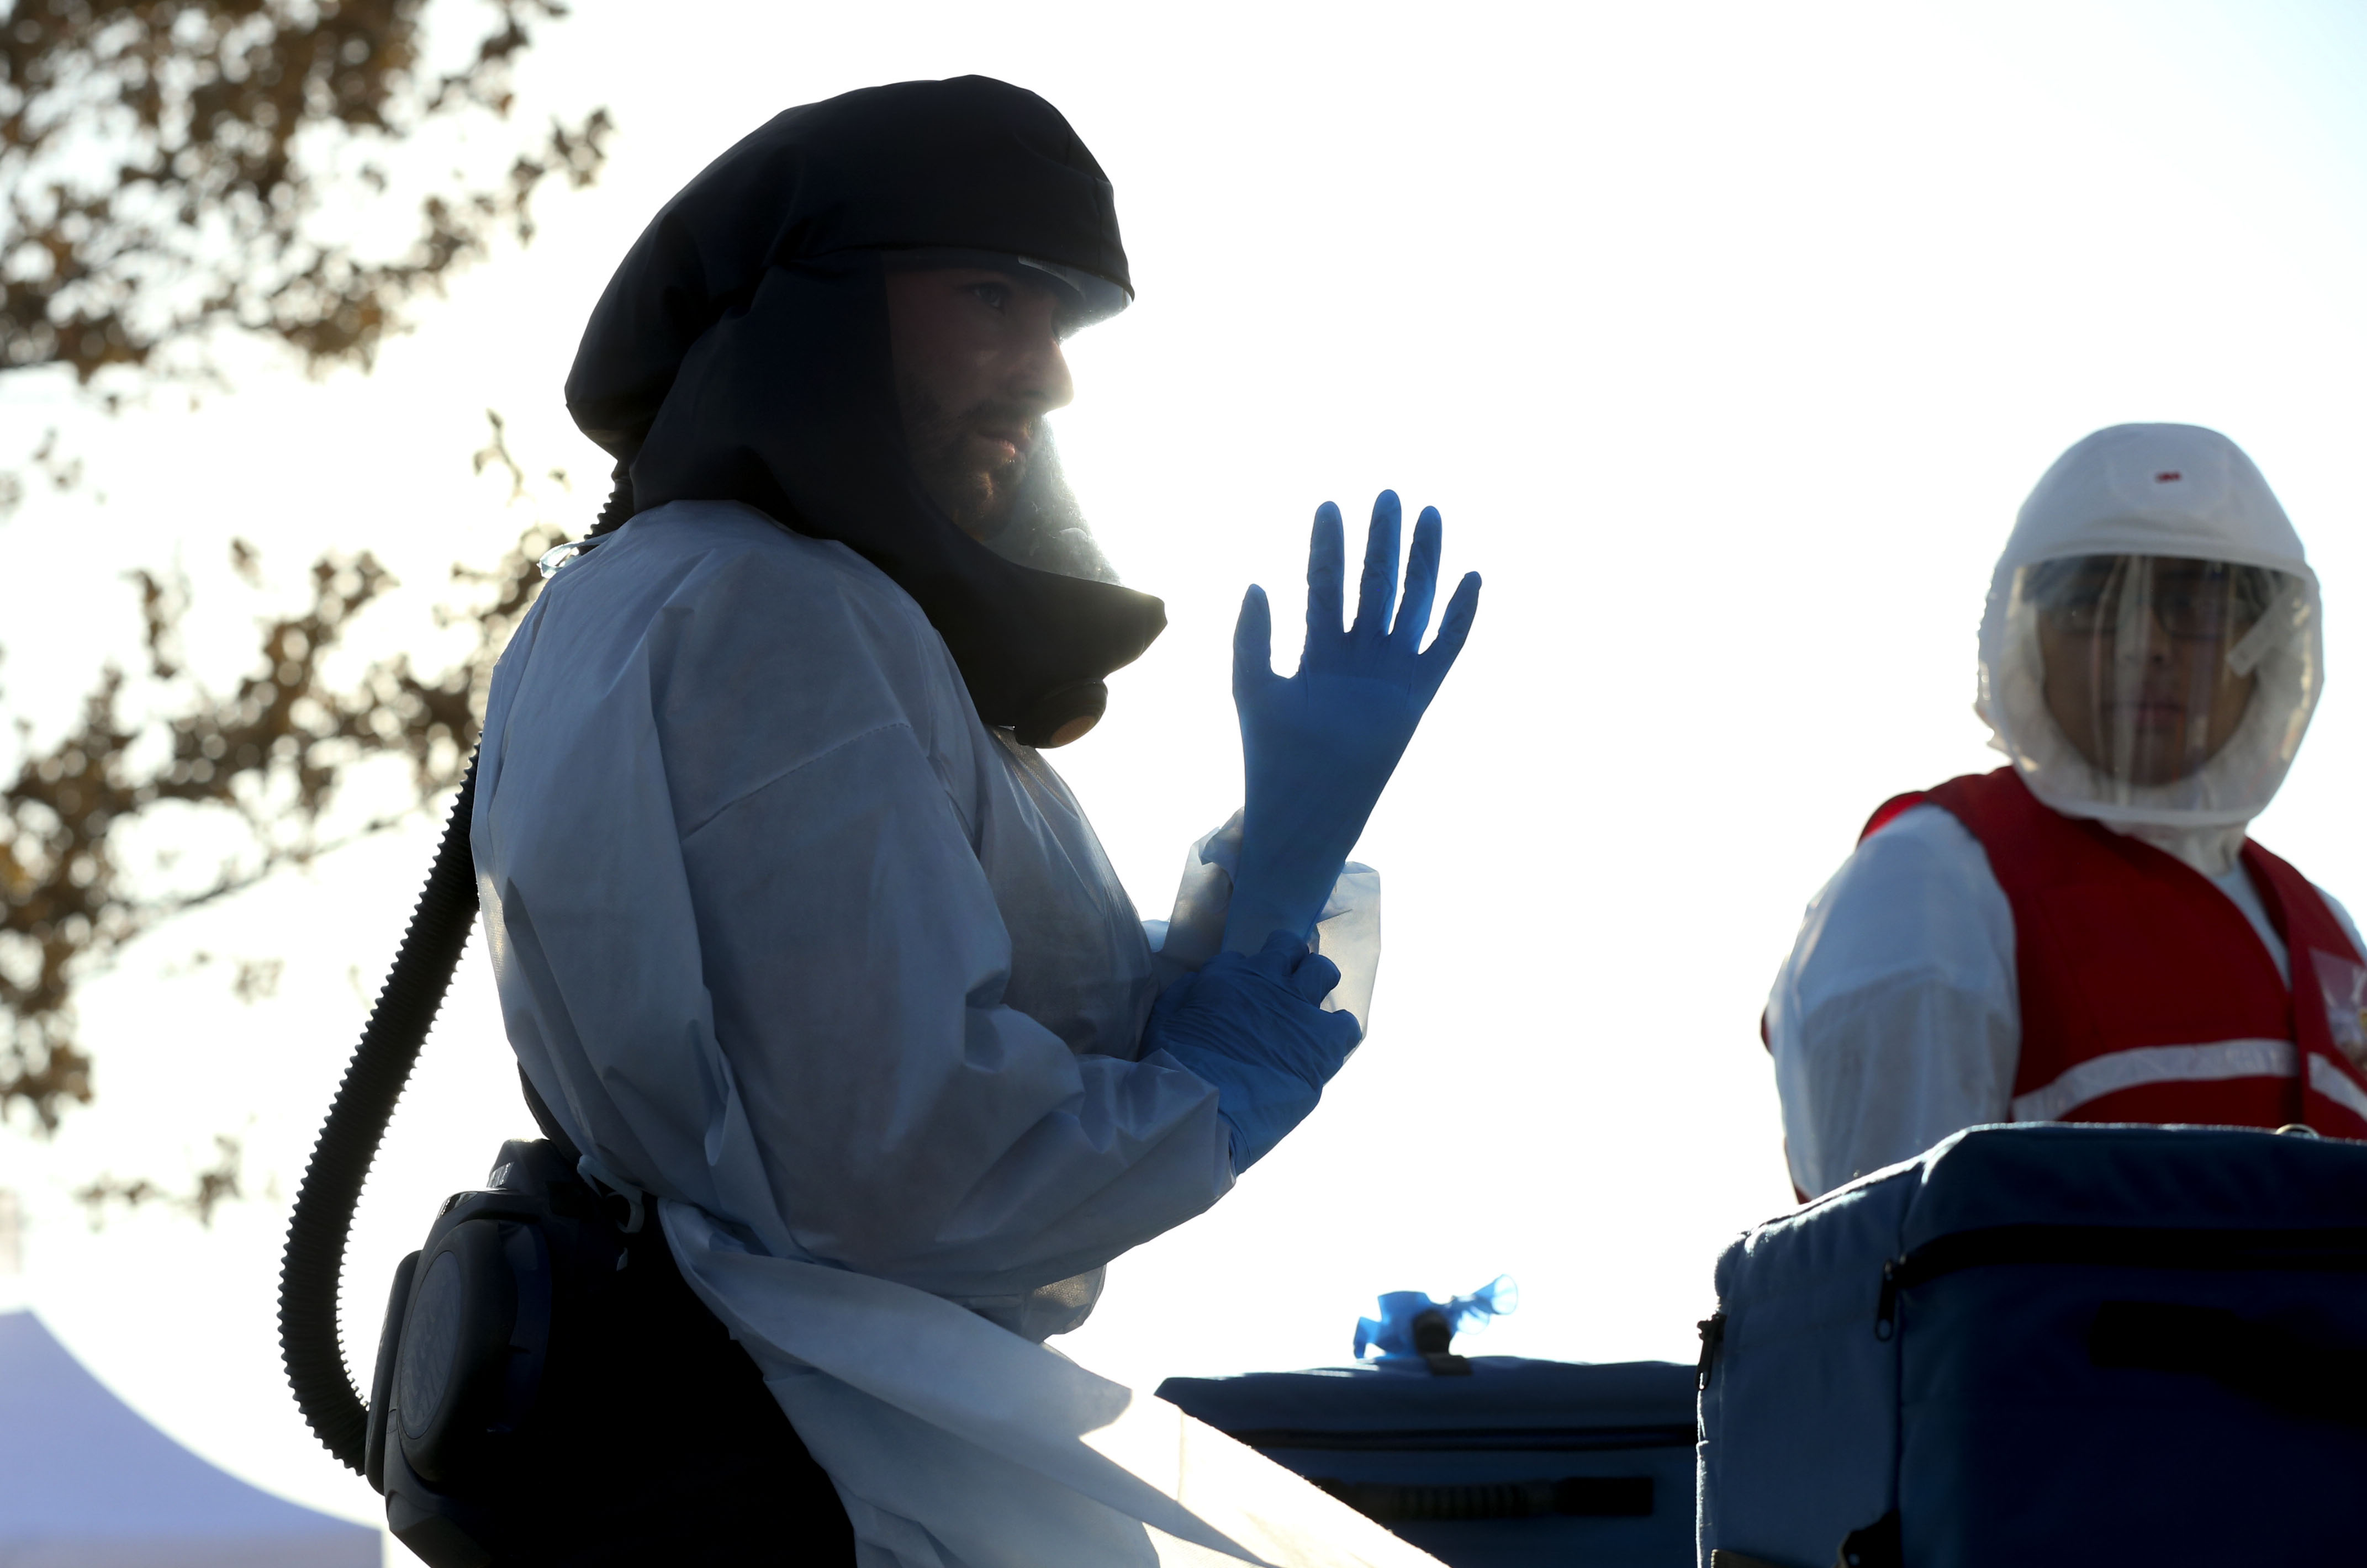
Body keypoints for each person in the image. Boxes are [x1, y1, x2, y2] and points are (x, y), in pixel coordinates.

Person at [473, 77, 1480, 1565]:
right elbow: (906, 1169)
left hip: (824, 1446)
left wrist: (1284, 850)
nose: (1048, 377)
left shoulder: (724, 604)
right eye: (995, 297)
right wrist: (1212, 1086)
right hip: (826, 1477)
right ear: (817, 312)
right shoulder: (768, 614)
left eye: (1060, 323)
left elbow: (972, 1054)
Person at [1766, 423, 2367, 1200]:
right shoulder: (1929, 885)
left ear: (2264, 644)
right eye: (2094, 605)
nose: (2141, 645)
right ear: (2028, 636)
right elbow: (1898, 1274)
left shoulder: (2322, 928)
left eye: (2191, 605)